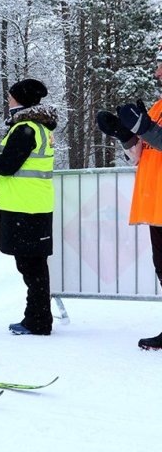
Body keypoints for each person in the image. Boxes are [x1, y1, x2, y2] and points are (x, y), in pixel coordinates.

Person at [0, 78, 57, 335]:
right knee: (33, 265)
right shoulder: (37, 129)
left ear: (21, 100)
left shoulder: (25, 129)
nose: (8, 100)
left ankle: (38, 321)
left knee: (31, 267)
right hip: (34, 205)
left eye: (11, 96)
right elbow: (13, 159)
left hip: (25, 207)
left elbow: (6, 166)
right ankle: (38, 318)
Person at [97, 48, 162, 350]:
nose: (157, 73)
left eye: (161, 66)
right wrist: (125, 135)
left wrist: (145, 128)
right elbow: (140, 156)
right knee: (161, 267)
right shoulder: (159, 105)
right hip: (155, 203)